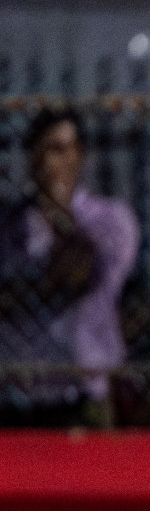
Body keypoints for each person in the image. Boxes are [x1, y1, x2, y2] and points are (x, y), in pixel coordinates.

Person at [0, 109, 138, 427]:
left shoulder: (109, 219)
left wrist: (58, 209)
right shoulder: (12, 225)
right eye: (43, 151)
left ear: (79, 155)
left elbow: (77, 273)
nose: (51, 162)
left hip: (82, 388)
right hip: (19, 392)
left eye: (61, 150)